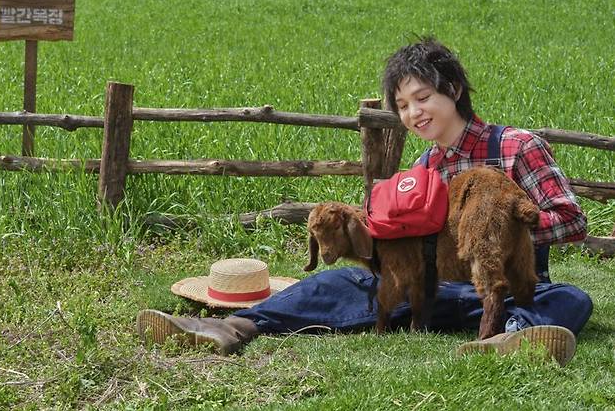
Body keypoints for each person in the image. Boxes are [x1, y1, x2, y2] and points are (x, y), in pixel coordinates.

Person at [137, 37, 592, 366]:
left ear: (453, 90)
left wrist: (488, 235)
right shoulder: (422, 169)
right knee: (340, 284)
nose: (414, 113)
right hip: (432, 292)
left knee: (570, 298)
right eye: (403, 105)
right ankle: (233, 327)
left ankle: (513, 336)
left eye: (423, 97)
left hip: (505, 290)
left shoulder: (516, 146)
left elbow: (572, 221)